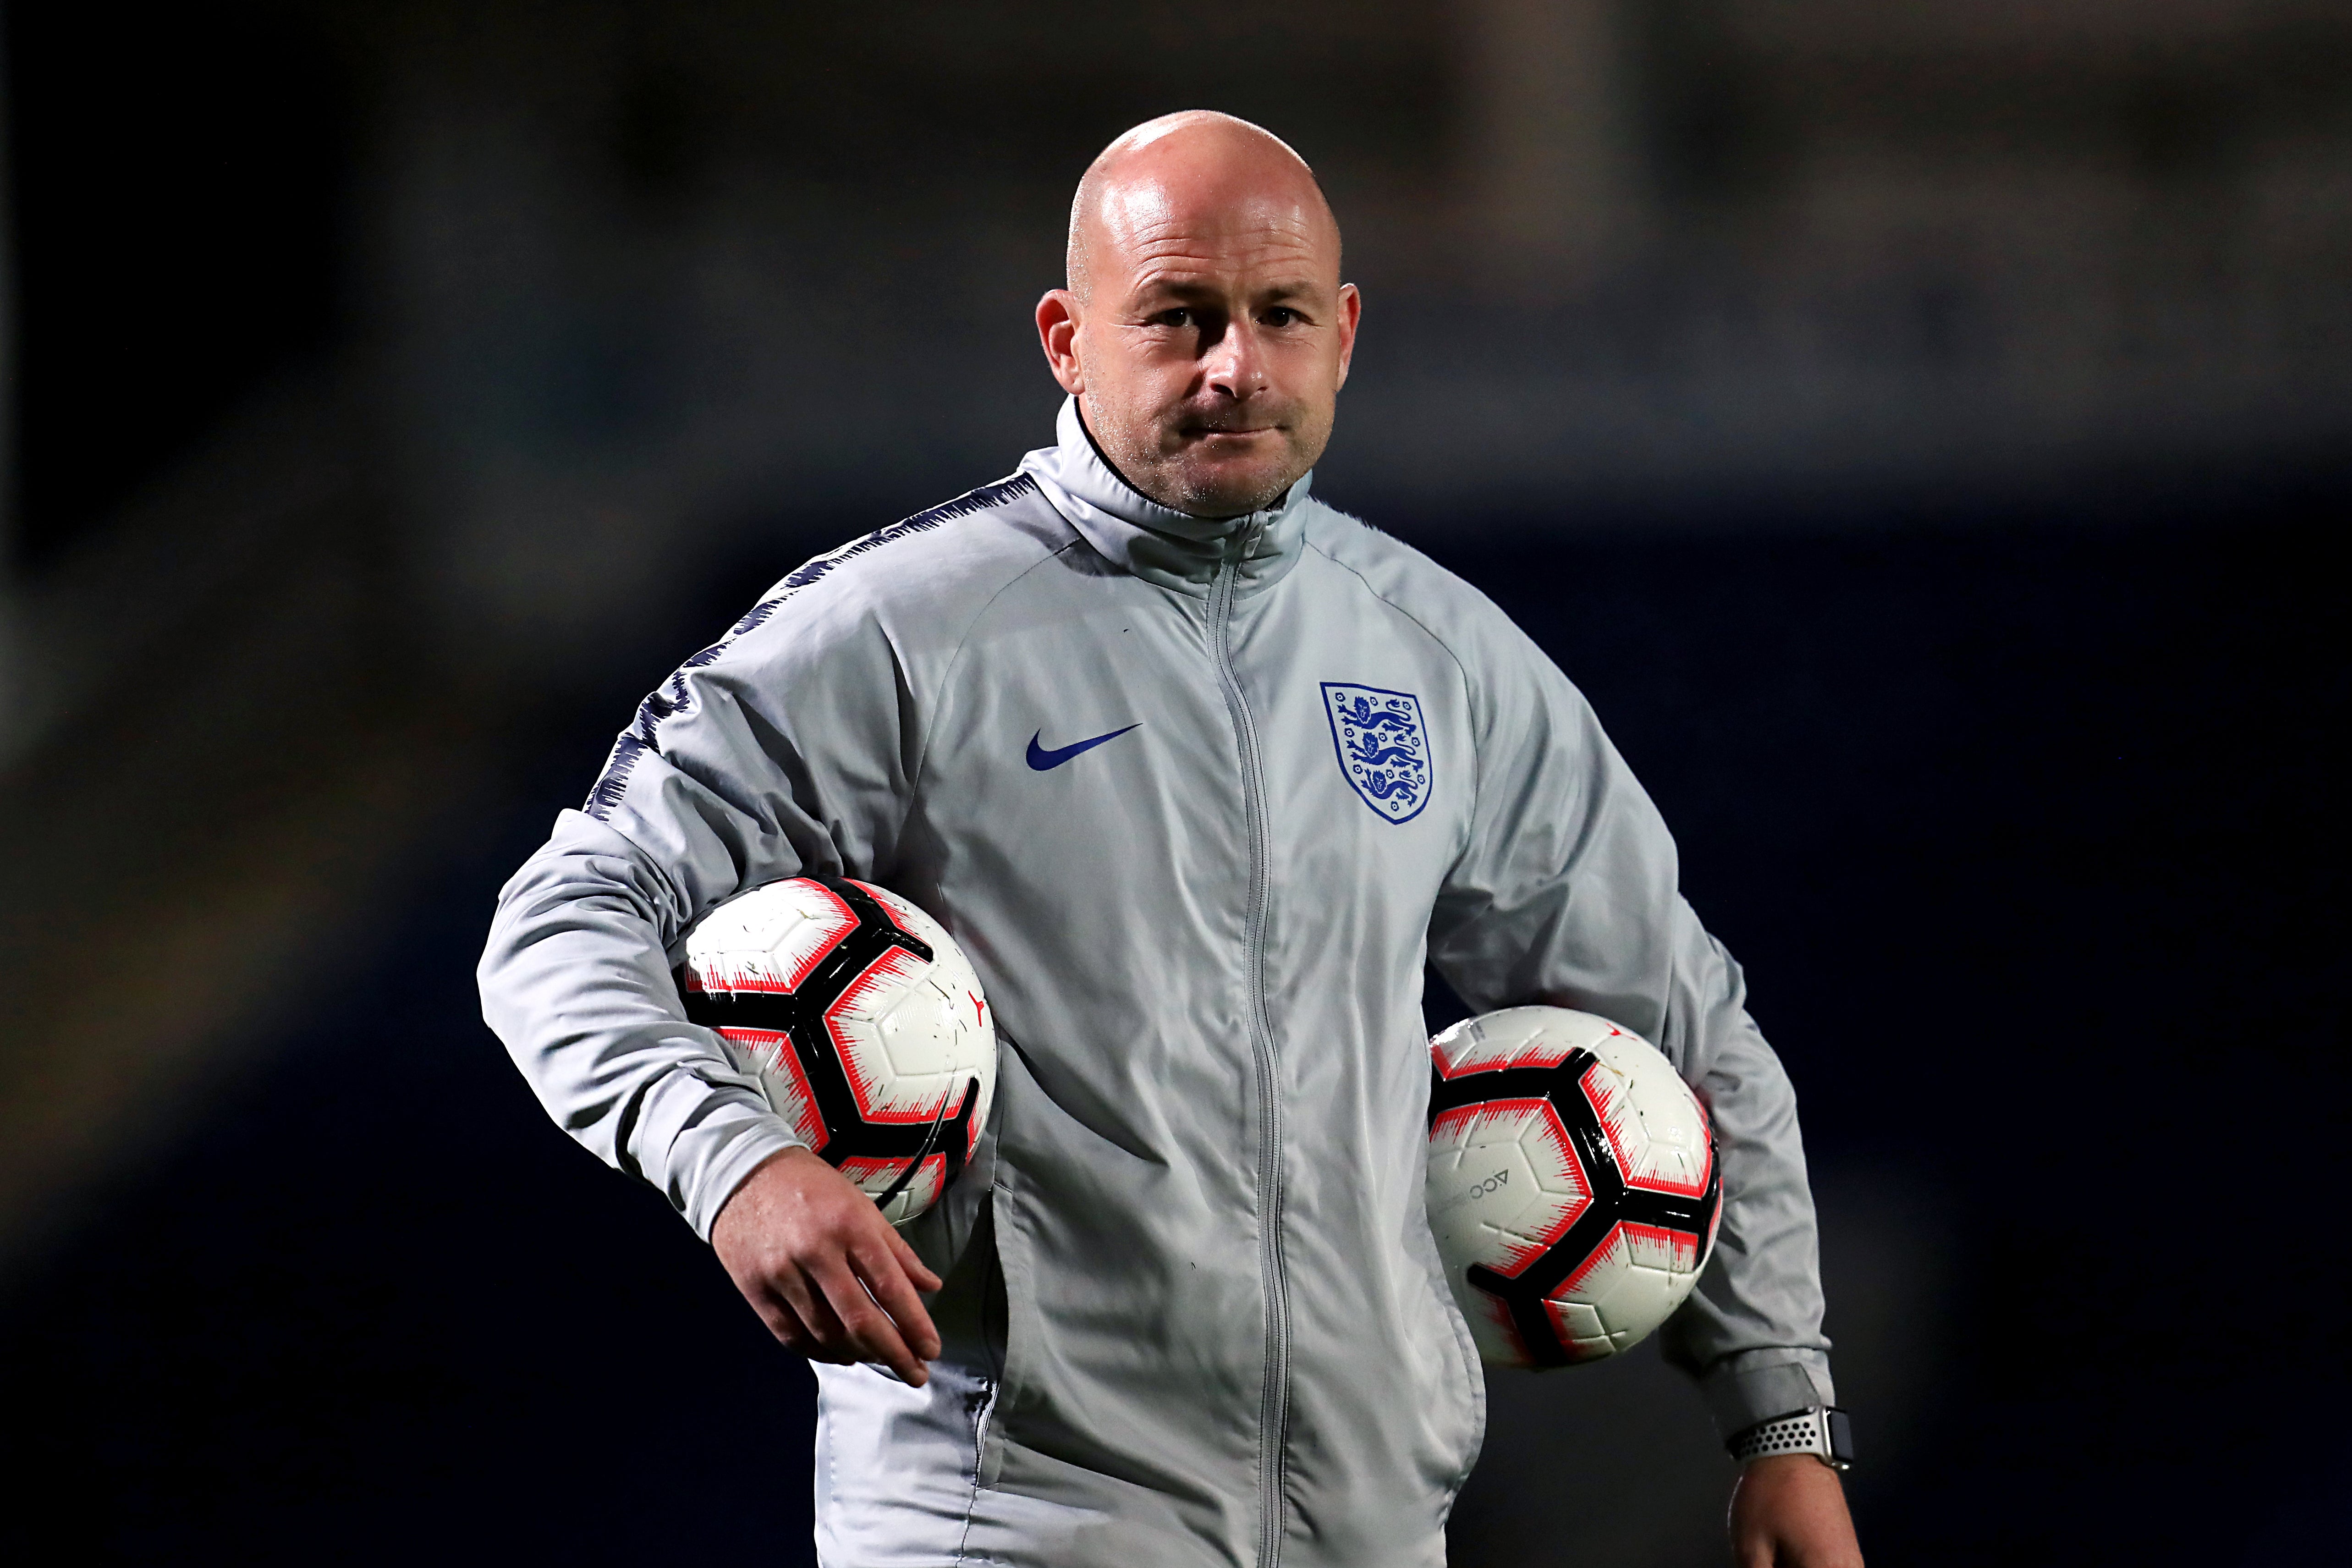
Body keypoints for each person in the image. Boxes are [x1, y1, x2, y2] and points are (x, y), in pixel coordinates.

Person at [479, 111, 1863, 1568]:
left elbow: (1681, 1021)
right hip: (1007, 1521)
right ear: (1068, 339)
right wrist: (735, 1163)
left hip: (1374, 1525)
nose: (1235, 368)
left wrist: (1781, 1417)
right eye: (1178, 318)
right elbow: (563, 916)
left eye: (1277, 317)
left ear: (1340, 333)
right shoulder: (896, 631)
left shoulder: (1443, 656)